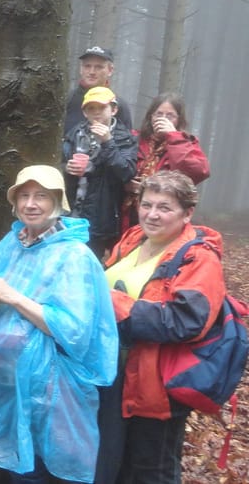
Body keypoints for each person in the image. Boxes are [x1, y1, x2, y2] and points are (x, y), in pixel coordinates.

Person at [0, 165, 118, 483]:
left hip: (40, 392)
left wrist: (13, 297)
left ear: (58, 202)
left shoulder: (74, 257)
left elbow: (74, 330)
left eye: (41, 196)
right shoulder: (12, 242)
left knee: (30, 466)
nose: (31, 204)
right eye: (24, 196)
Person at [96, 170, 226, 483]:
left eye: (164, 208)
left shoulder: (198, 258)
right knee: (114, 467)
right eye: (146, 205)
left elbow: (186, 321)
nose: (152, 215)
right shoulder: (132, 240)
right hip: (114, 380)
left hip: (156, 389)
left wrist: (116, 304)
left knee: (151, 472)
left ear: (187, 213)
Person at [62, 86, 137, 258]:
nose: (96, 113)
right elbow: (57, 164)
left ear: (114, 109)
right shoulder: (74, 134)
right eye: (91, 108)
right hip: (70, 212)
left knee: (88, 261)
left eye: (101, 108)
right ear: (84, 112)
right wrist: (66, 168)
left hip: (100, 216)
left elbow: (127, 172)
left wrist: (108, 142)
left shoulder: (124, 138)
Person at [120, 93, 210, 232]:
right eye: (159, 114)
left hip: (163, 216)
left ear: (178, 120)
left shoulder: (186, 142)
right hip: (126, 213)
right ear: (151, 117)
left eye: (170, 116)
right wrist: (125, 184)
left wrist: (174, 137)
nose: (163, 119)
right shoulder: (134, 139)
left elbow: (196, 172)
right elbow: (114, 166)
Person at [63, 46, 132, 135]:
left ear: (110, 70)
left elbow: (127, 144)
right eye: (87, 66)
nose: (92, 72)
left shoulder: (118, 105)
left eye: (99, 67)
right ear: (81, 69)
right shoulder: (67, 100)